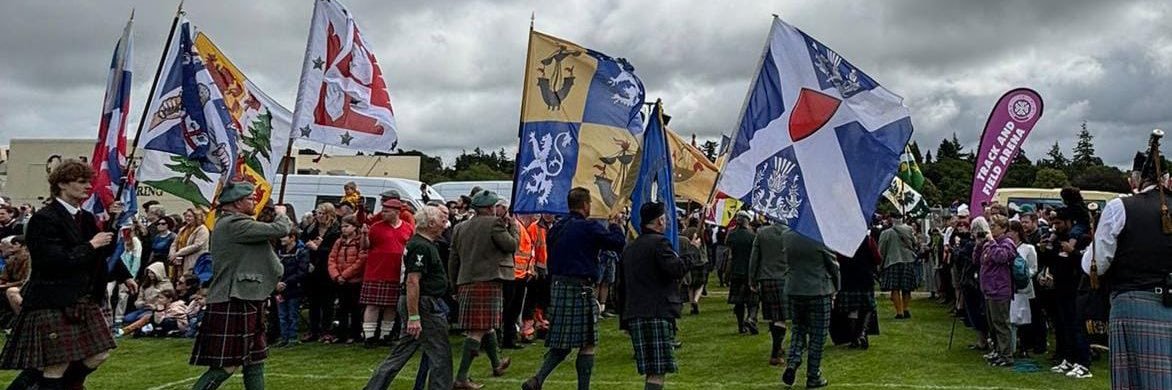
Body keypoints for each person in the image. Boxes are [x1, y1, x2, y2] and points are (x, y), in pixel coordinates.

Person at [0, 160, 138, 389]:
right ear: (62, 184)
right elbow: (52, 260)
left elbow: (102, 253)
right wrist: (91, 245)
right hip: (53, 298)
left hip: (83, 298)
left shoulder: (85, 217)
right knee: (56, 364)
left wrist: (112, 226)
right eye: (81, 182)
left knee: (99, 353)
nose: (88, 186)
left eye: (89, 182)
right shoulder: (44, 218)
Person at [1081, 150, 1172, 388]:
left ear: (1134, 180)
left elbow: (1096, 265)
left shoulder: (1120, 207)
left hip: (1134, 305)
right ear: (1166, 179)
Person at [188, 181, 292, 390]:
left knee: (255, 360)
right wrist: (281, 214)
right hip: (233, 298)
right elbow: (280, 229)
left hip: (247, 296)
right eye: (250, 198)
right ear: (236, 203)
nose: (255, 201)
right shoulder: (234, 224)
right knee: (227, 365)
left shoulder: (235, 222)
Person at [522, 187, 625, 390]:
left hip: (558, 286)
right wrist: (615, 224)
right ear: (585, 205)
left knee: (562, 343)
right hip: (580, 288)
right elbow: (617, 244)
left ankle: (537, 380)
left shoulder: (556, 228)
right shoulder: (588, 227)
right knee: (588, 343)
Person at [364, 205, 454, 390]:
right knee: (440, 353)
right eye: (441, 220)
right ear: (430, 223)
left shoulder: (423, 244)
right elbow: (413, 281)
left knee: (402, 350)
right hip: (424, 304)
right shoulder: (421, 246)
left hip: (419, 303)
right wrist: (414, 316)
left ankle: (374, 387)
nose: (445, 224)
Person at [449, 190, 517, 389]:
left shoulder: (460, 227)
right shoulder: (495, 224)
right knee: (477, 330)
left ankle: (497, 364)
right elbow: (511, 246)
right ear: (489, 208)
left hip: (466, 281)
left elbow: (453, 258)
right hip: (487, 281)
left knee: (486, 326)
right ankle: (461, 378)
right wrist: (513, 227)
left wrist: (454, 284)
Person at [620, 202, 687, 390]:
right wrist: (689, 253)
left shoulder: (630, 248)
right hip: (656, 312)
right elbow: (676, 270)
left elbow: (621, 286)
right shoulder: (660, 243)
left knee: (652, 370)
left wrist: (624, 319)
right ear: (659, 221)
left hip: (635, 312)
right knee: (658, 371)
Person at [780, 222, 839, 389]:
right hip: (818, 290)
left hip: (794, 288)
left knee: (798, 329)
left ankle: (793, 361)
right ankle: (813, 375)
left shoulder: (787, 235)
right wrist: (836, 287)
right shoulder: (820, 237)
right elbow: (833, 265)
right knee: (818, 335)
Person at [1044, 207, 1093, 378]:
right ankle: (1068, 358)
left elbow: (1086, 262)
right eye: (1054, 223)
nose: (1056, 226)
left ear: (1068, 222)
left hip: (1077, 289)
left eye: (1059, 223)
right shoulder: (1058, 239)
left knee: (1077, 326)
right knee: (1064, 326)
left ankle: (1083, 363)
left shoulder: (1081, 239)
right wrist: (1046, 250)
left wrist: (1073, 253)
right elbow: (1054, 261)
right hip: (1060, 289)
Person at [361, 198, 414, 348]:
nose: (382, 213)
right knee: (372, 305)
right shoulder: (376, 227)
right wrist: (364, 235)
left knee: (391, 306)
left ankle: (385, 335)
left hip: (397, 272)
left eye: (386, 211)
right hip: (376, 271)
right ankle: (369, 337)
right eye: (382, 210)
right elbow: (365, 246)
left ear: (397, 212)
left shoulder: (408, 228)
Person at [749, 222, 790, 365]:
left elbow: (754, 258)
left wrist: (752, 279)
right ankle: (775, 353)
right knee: (780, 318)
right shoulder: (791, 233)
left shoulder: (762, 233)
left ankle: (778, 348)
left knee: (774, 317)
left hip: (766, 278)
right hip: (785, 278)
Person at [979, 215, 1018, 367]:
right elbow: (979, 260)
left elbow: (1001, 257)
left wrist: (991, 242)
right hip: (989, 289)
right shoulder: (990, 243)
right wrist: (980, 244)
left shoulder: (1007, 243)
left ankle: (1006, 355)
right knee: (993, 324)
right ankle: (997, 351)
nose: (991, 229)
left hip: (1000, 289)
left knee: (1001, 324)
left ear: (1003, 228)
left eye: (994, 226)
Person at [303, 202, 341, 343]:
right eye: (317, 213)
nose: (318, 216)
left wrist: (317, 248)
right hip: (312, 268)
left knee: (327, 302)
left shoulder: (336, 231)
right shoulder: (311, 229)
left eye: (321, 213)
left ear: (329, 215)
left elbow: (334, 251)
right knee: (313, 301)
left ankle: (326, 330)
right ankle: (313, 330)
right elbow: (303, 243)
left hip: (328, 269)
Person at [328, 215, 368, 344]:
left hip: (355, 281)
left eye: (347, 226)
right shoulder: (339, 242)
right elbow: (332, 259)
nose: (343, 229)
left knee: (355, 308)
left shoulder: (359, 241)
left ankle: (355, 333)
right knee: (342, 308)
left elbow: (361, 261)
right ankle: (341, 333)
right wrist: (336, 275)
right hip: (340, 280)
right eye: (342, 227)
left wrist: (345, 275)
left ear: (355, 227)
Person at [878, 212, 919, 319]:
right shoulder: (909, 230)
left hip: (892, 261)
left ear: (891, 219)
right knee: (907, 288)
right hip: (908, 260)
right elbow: (915, 243)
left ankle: (899, 312)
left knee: (895, 288)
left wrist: (880, 265)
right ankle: (905, 308)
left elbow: (881, 250)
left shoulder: (886, 233)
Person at [1006, 220, 1038, 359]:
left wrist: (1022, 276)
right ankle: (1012, 346)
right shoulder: (1006, 247)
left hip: (1023, 288)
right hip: (1009, 288)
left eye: (1010, 231)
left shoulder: (1028, 248)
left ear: (1017, 232)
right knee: (1011, 318)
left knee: (1024, 318)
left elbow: (1033, 268)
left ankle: (1025, 346)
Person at [505, 213, 537, 349]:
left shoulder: (522, 227)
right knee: (511, 309)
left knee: (515, 309)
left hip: (521, 275)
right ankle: (508, 338)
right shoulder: (517, 226)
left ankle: (510, 337)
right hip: (514, 275)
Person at [117, 262, 172, 336]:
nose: (150, 275)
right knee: (127, 318)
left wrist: (154, 306)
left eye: (152, 273)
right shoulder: (145, 285)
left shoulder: (166, 286)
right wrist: (142, 304)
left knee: (141, 318)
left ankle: (128, 330)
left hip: (157, 310)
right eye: (149, 272)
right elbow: (138, 301)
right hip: (144, 308)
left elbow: (167, 301)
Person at [274, 230, 310, 347]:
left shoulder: (301, 252)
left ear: (292, 237)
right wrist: (277, 283)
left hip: (294, 287)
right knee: (282, 315)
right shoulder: (279, 252)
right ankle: (284, 337)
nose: (281, 239)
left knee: (292, 314)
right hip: (280, 288)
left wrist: (285, 282)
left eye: (284, 236)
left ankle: (293, 337)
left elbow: (302, 271)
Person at [726, 212, 759, 334]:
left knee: (738, 301)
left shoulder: (731, 235)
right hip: (749, 272)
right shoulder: (752, 236)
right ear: (747, 221)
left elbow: (729, 254)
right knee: (752, 300)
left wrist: (726, 273)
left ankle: (741, 326)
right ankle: (750, 319)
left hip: (735, 271)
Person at [170, 208, 209, 280]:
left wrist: (179, 253)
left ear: (197, 217)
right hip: (179, 262)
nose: (187, 218)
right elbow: (175, 243)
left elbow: (197, 245)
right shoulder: (183, 229)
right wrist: (172, 254)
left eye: (190, 216)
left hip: (193, 262)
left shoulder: (202, 229)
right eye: (186, 216)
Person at [680, 218, 707, 315]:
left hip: (689, 259)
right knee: (700, 284)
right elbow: (705, 242)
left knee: (691, 284)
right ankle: (695, 300)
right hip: (700, 259)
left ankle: (692, 303)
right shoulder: (700, 231)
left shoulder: (684, 232)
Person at [0, 235, 30, 314]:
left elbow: (25, 280)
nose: (12, 245)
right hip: (10, 285)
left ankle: (21, 316)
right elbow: (4, 277)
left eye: (15, 243)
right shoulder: (11, 260)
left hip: (24, 287)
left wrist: (6, 285)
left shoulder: (29, 260)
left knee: (11, 292)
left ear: (23, 246)